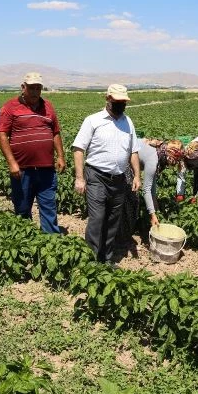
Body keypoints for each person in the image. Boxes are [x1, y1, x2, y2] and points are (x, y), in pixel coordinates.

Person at [72, 84, 141, 264]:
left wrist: (136, 175)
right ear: (107, 98)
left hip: (119, 178)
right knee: (97, 219)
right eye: (117, 101)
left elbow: (133, 151)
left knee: (113, 220)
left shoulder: (128, 122)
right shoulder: (93, 120)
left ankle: (107, 259)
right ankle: (91, 260)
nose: (120, 104)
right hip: (96, 176)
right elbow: (79, 149)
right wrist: (79, 178)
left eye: (123, 102)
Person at [0, 72, 66, 233]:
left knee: (49, 207)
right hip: (22, 169)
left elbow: (55, 132)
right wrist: (12, 163)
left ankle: (51, 242)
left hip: (46, 169)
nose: (35, 92)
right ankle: (25, 240)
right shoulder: (10, 107)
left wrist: (61, 156)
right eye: (31, 88)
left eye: (38, 88)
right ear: (23, 87)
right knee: (22, 208)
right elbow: (1, 135)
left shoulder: (48, 106)